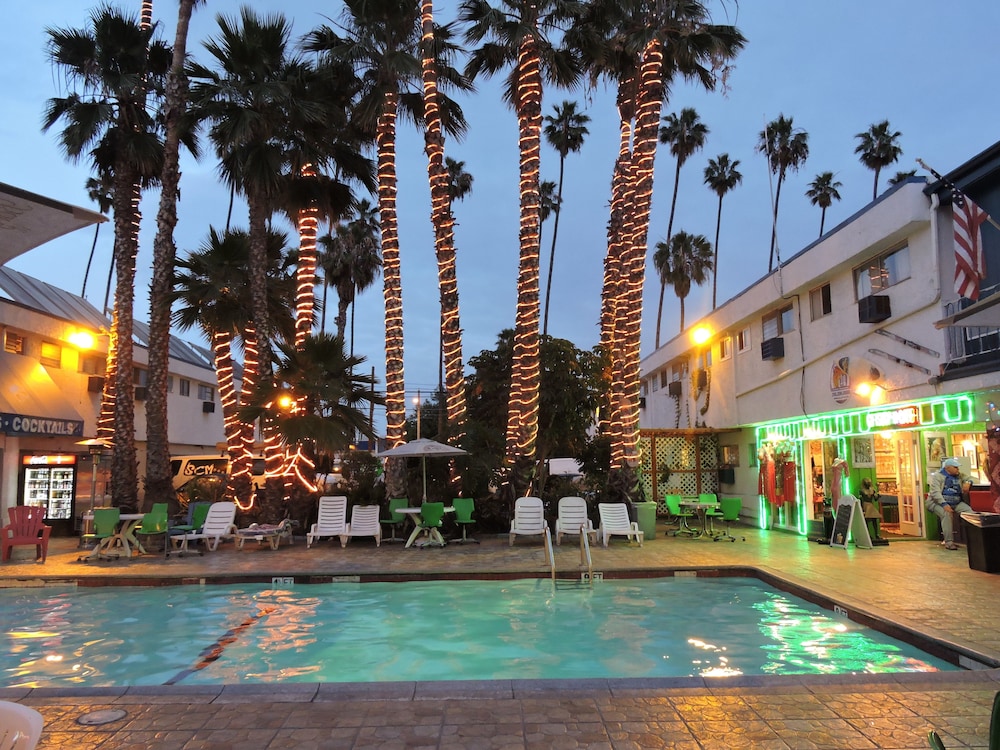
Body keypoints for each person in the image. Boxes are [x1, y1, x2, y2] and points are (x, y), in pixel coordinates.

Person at [926, 457, 973, 550]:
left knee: (970, 513)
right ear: (948, 468)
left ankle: (973, 539)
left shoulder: (959, 475)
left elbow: (971, 478)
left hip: (956, 502)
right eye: (955, 467)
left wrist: (968, 482)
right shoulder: (938, 476)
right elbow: (935, 493)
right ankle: (949, 542)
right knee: (946, 514)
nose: (957, 469)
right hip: (937, 503)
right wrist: (944, 504)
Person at [859, 477, 887, 545]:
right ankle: (868, 534)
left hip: (870, 505)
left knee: (874, 520)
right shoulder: (862, 491)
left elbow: (875, 499)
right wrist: (862, 508)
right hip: (866, 506)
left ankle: (876, 534)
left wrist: (878, 495)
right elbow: (861, 500)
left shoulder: (872, 490)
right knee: (867, 521)